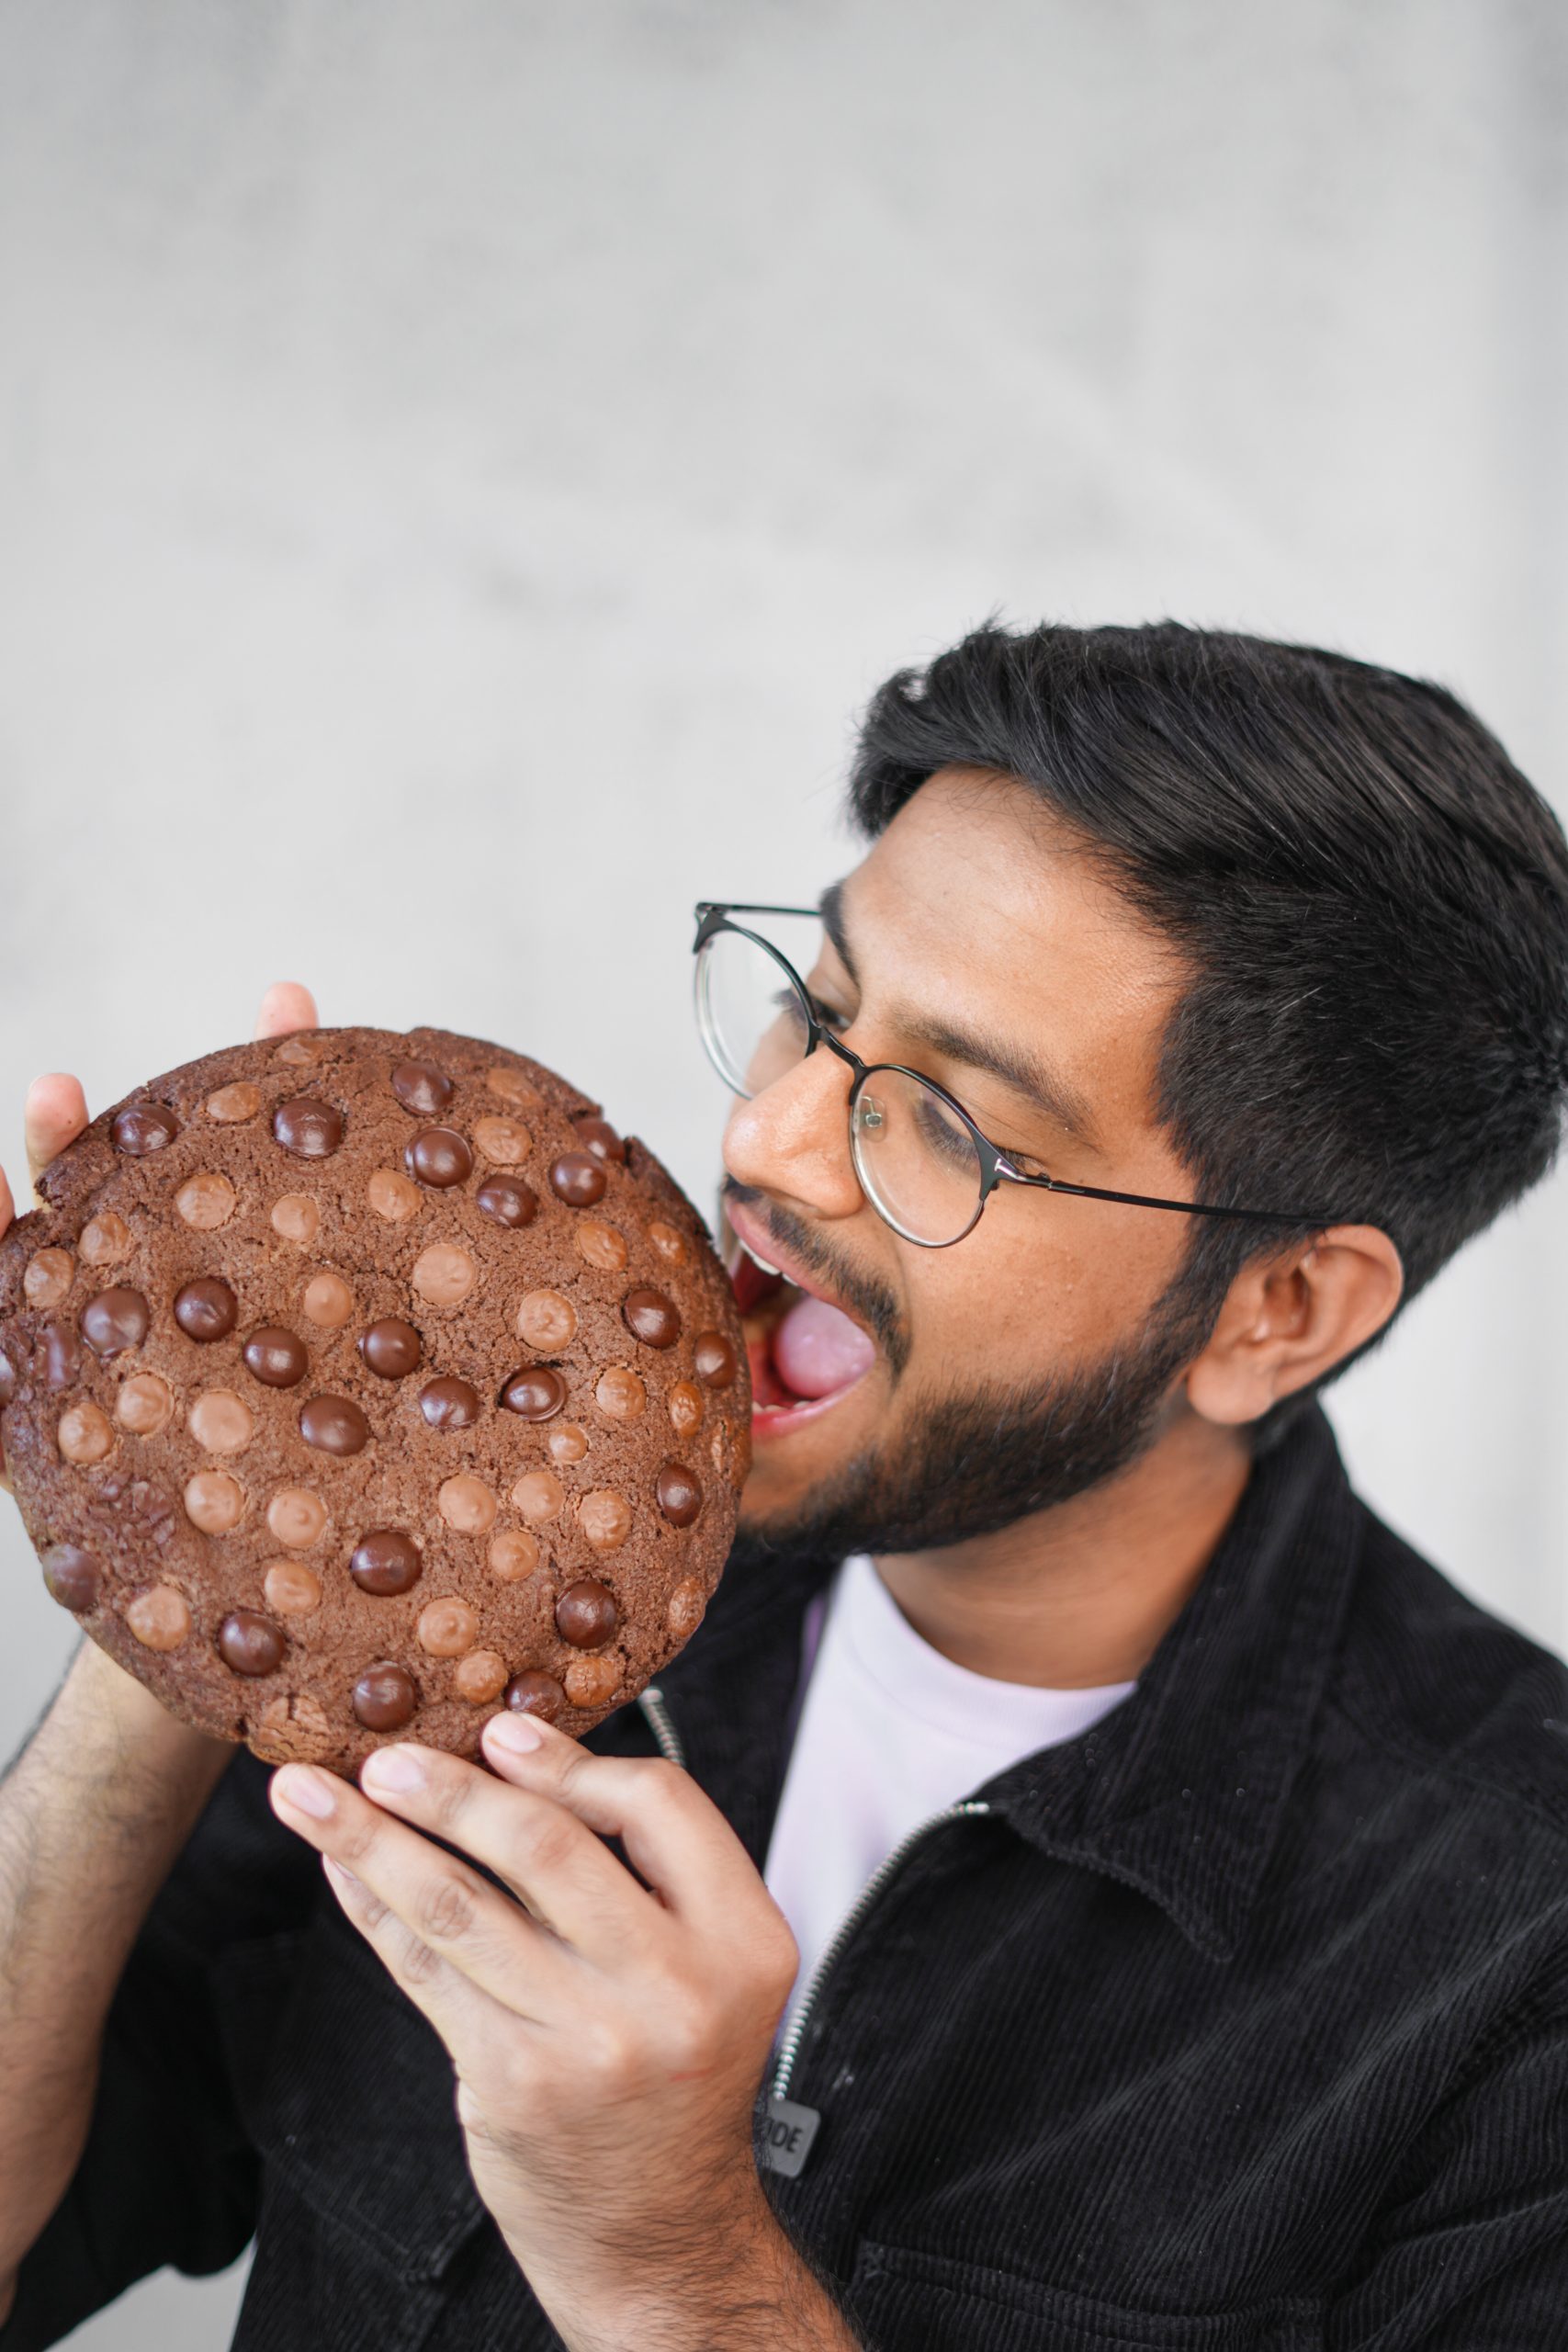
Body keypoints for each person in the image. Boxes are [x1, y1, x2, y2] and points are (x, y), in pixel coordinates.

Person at [3, 620, 1568, 2351]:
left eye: (949, 1123)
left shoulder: (1517, 1968)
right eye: (814, 1008)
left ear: (1279, 1309)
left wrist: (666, 2261)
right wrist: (184, 1551)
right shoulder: (461, 1619)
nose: (766, 1140)